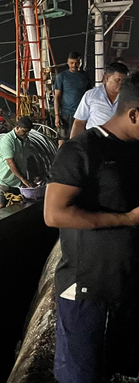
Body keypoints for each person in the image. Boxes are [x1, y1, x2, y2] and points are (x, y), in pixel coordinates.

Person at [44, 70, 139, 382]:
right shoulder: (81, 151)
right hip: (87, 289)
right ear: (134, 114)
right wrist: (126, 219)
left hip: (127, 285)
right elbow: (54, 213)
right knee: (80, 375)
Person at [70, 61, 129, 139]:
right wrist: (73, 145)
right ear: (106, 78)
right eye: (117, 80)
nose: (121, 84)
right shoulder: (91, 95)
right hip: (94, 140)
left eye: (124, 81)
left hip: (118, 142)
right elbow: (80, 122)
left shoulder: (128, 98)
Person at [0, 117, 34, 211]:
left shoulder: (26, 140)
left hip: (16, 181)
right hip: (3, 180)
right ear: (17, 127)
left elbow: (29, 158)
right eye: (24, 131)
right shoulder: (7, 140)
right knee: (1, 206)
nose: (26, 134)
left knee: (16, 206)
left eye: (28, 131)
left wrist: (34, 175)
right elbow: (10, 162)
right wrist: (23, 179)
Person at [54, 51, 91, 146]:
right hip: (65, 114)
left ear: (80, 62)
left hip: (81, 114)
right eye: (72, 63)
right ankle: (60, 160)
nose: (74, 65)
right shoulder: (61, 77)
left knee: (79, 141)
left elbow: (89, 95)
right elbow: (57, 96)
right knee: (62, 141)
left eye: (77, 62)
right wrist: (57, 115)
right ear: (67, 62)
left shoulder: (85, 76)